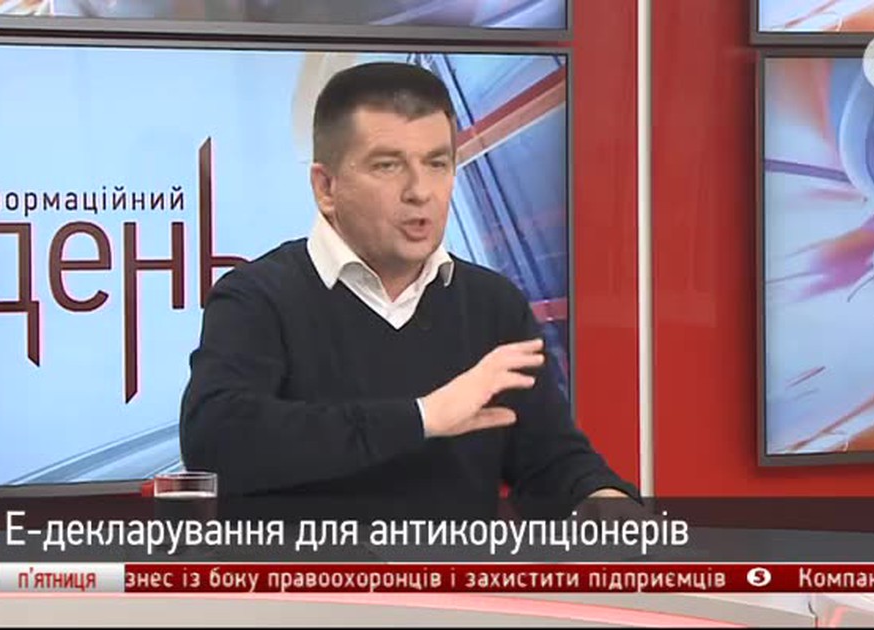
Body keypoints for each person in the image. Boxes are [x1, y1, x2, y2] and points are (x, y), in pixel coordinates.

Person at [179, 61, 639, 521]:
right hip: (305, 569)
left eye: (437, 164)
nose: (420, 191)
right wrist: (423, 418)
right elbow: (218, 442)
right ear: (325, 187)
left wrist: (602, 499)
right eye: (388, 165)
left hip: (451, 570)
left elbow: (551, 462)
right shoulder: (258, 297)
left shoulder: (494, 305)